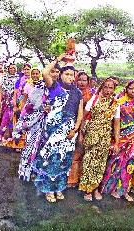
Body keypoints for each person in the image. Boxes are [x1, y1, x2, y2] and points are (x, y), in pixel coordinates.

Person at [32, 53, 83, 203]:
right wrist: (58, 59)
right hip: (52, 130)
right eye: (67, 74)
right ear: (60, 75)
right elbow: (44, 72)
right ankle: (48, 189)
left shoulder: (77, 92)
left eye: (72, 75)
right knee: (51, 159)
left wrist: (75, 130)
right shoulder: (54, 87)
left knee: (64, 159)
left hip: (69, 131)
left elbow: (79, 114)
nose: (70, 78)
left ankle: (59, 188)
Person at [100, 80, 134, 202]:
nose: (133, 91)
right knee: (114, 163)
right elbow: (113, 119)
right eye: (131, 88)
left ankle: (124, 190)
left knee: (129, 164)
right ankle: (108, 188)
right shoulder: (119, 100)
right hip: (120, 138)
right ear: (126, 89)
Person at [78, 77, 120, 201]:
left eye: (110, 87)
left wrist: (117, 142)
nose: (108, 90)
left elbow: (116, 123)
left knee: (100, 163)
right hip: (91, 135)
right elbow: (84, 117)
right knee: (88, 161)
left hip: (105, 137)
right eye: (105, 87)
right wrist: (81, 134)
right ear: (102, 87)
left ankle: (95, 188)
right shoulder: (94, 99)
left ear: (114, 89)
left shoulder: (115, 104)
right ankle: (87, 190)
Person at [12, 68, 51, 181]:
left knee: (42, 147)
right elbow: (26, 102)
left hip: (46, 121)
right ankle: (25, 171)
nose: (34, 75)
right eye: (33, 73)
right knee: (31, 146)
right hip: (33, 120)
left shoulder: (50, 87)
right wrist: (23, 116)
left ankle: (38, 172)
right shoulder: (31, 86)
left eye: (36, 73)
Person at [67, 71, 93, 187]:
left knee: (83, 151)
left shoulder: (92, 95)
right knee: (72, 152)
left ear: (88, 82)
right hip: (73, 123)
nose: (82, 82)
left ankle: (81, 179)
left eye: (84, 80)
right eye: (80, 80)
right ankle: (71, 179)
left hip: (87, 126)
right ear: (76, 80)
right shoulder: (72, 93)